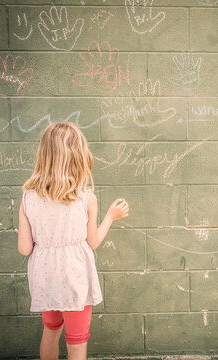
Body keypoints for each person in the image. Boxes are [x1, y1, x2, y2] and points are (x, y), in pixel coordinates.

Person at [15, 122, 129, 360]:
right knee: (76, 341)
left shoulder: (28, 197)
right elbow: (94, 242)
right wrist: (110, 216)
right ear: (78, 156)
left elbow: (25, 249)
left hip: (45, 277)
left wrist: (27, 235)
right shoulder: (85, 198)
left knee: (50, 331)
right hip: (75, 277)